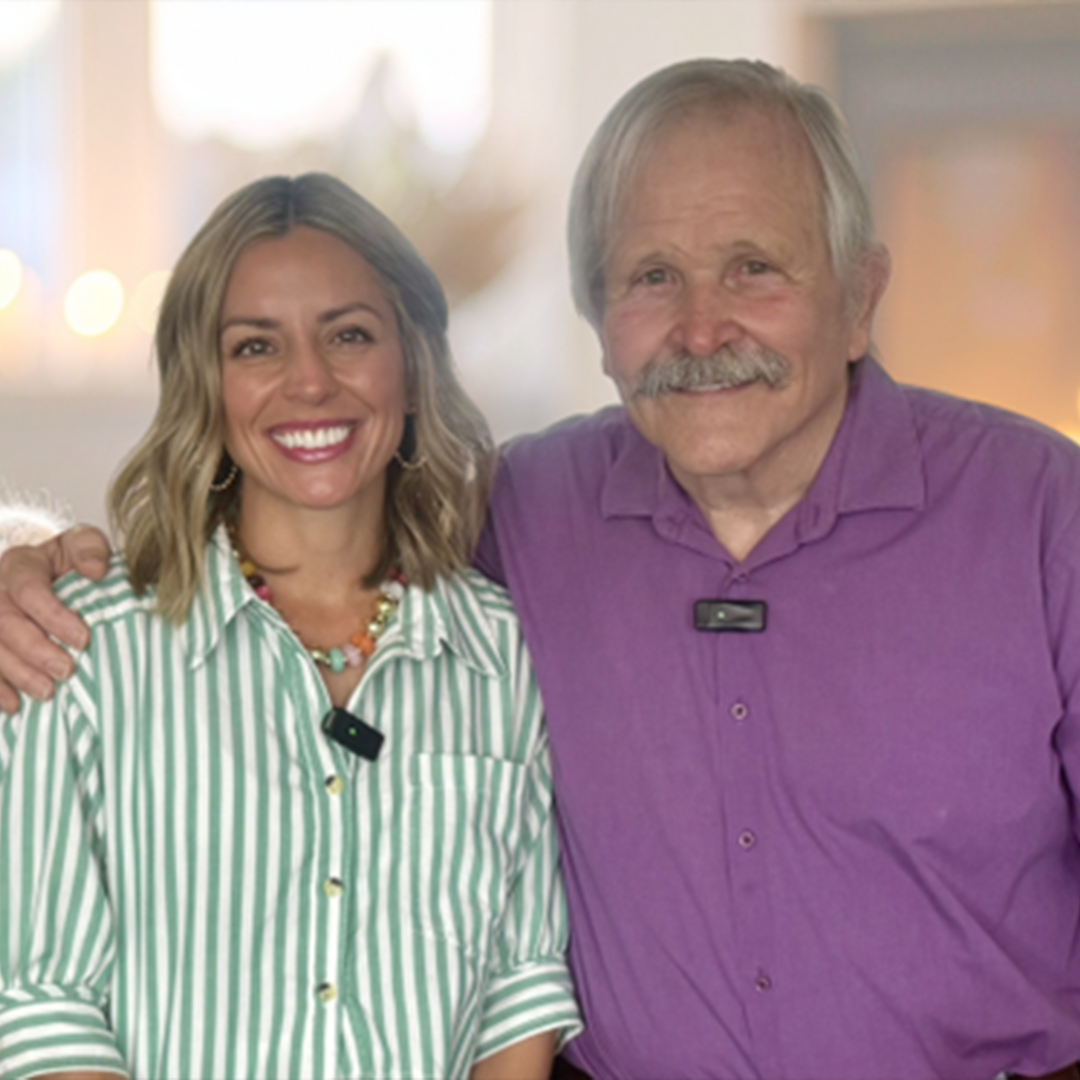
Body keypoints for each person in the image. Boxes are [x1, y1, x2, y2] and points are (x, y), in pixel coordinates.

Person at [1, 57, 1079, 1080]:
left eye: (754, 267)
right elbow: (298, 519)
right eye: (652, 276)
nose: (702, 328)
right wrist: (24, 562)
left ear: (860, 294)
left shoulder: (1044, 518)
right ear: (600, 323)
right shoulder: (520, 515)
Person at [0, 173, 580, 1080]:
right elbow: (42, 1005)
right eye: (257, 346)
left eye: (349, 334)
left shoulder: (504, 652)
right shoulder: (81, 652)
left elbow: (518, 988)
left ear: (415, 364)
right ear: (207, 382)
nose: (310, 381)